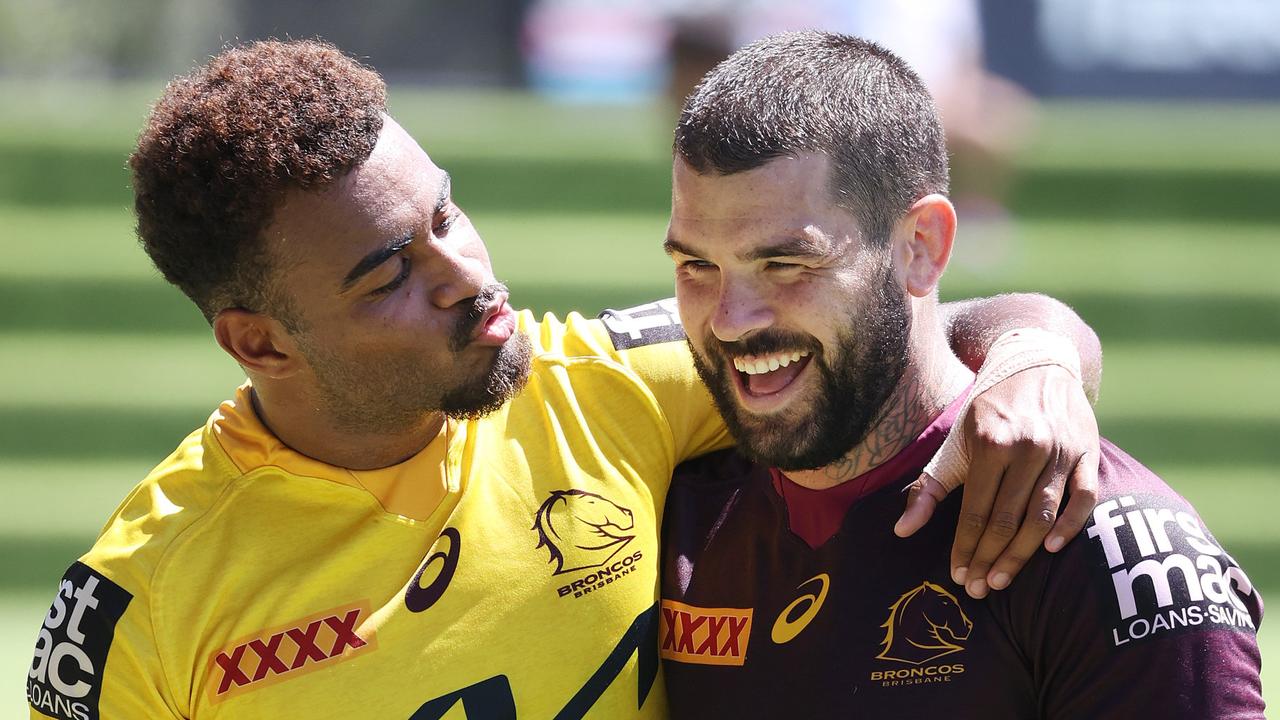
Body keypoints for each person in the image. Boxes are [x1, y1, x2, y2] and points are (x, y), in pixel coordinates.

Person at [27, 40, 1102, 719]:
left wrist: (1038, 355)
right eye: (389, 273)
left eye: (444, 215)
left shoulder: (606, 384)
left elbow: (913, 324)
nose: (467, 274)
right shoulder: (141, 608)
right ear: (259, 344)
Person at [658, 31, 1264, 718]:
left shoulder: (1103, 551)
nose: (731, 320)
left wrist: (1042, 344)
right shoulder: (665, 492)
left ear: (922, 247)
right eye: (695, 266)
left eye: (786, 264)